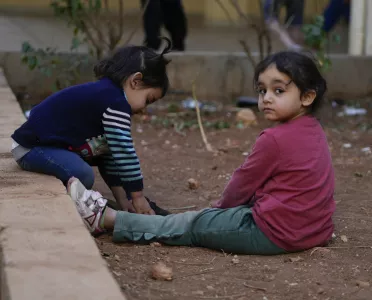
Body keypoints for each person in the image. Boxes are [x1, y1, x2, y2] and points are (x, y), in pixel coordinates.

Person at [67, 51, 336, 255]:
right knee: (196, 220)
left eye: (278, 90)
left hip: (275, 232)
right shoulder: (313, 130)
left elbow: (242, 184)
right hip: (313, 231)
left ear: (307, 97)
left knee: (196, 224)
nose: (266, 97)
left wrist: (216, 214)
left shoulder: (275, 139)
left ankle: (106, 218)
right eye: (262, 90)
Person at [11, 38, 173, 216]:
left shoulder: (108, 97)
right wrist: (138, 196)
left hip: (46, 147)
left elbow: (109, 156)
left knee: (91, 166)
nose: (144, 109)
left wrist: (123, 200)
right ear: (135, 81)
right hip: (33, 148)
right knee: (83, 175)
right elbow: (124, 151)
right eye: (148, 100)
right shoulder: (115, 102)